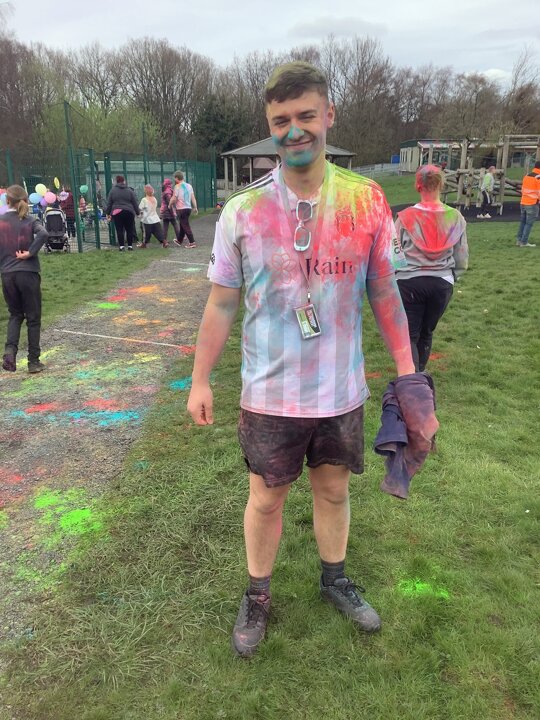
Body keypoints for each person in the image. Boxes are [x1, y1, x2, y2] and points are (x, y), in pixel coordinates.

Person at [187, 61, 430, 659]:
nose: (294, 131)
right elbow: (221, 302)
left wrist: (408, 375)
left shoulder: (366, 199)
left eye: (305, 116)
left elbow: (384, 292)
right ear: (269, 126)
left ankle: (335, 580)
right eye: (280, 121)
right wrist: (200, 379)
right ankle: (257, 596)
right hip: (269, 393)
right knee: (266, 498)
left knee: (334, 491)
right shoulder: (242, 211)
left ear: (328, 116)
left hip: (339, 389)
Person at [395, 165, 469, 372]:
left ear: (418, 185)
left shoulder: (405, 218)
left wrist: (398, 273)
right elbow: (461, 255)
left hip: (409, 282)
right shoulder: (455, 217)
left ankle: (412, 379)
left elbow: (394, 252)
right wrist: (454, 276)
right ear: (441, 184)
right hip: (441, 283)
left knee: (409, 335)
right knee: (426, 332)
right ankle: (420, 373)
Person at [0, 185, 48, 373]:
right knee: (33, 317)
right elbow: (43, 233)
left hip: (8, 275)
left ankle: (10, 351)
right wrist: (30, 252)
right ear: (25, 200)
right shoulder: (29, 220)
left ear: (7, 201)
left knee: (15, 314)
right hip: (28, 273)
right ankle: (33, 361)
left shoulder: (1, 222)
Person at [105, 175, 140, 251]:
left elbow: (109, 203)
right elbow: (134, 202)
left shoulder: (112, 191)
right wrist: (137, 212)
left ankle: (121, 247)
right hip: (129, 211)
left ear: (116, 181)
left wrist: (108, 213)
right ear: (124, 181)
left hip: (117, 212)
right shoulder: (129, 190)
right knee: (129, 229)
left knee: (119, 230)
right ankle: (130, 246)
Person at [169, 171, 198, 248]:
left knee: (185, 225)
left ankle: (192, 242)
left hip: (181, 209)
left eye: (174, 178)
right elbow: (193, 197)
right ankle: (179, 240)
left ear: (176, 178)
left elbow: (174, 198)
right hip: (188, 208)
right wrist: (195, 207)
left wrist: (169, 204)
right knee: (183, 224)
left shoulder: (177, 186)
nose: (174, 180)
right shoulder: (189, 186)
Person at [515, 160, 540, 248]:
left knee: (523, 222)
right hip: (532, 203)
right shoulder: (538, 177)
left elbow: (523, 189)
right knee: (529, 224)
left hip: (523, 202)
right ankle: (524, 242)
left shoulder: (527, 176)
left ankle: (519, 240)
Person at [160, 178, 180, 244]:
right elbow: (169, 203)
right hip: (168, 211)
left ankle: (164, 240)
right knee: (175, 224)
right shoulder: (168, 191)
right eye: (170, 183)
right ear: (169, 184)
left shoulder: (164, 190)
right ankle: (179, 237)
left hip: (164, 211)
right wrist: (173, 212)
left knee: (165, 226)